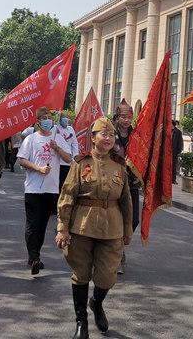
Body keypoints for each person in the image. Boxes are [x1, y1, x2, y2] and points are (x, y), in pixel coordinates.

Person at [56, 117, 132, 339]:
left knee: (107, 276)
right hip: (82, 225)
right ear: (93, 138)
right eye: (103, 134)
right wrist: (62, 227)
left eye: (111, 135)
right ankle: (82, 322)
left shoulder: (119, 165)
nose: (108, 138)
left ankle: (96, 302)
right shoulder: (81, 163)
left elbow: (126, 200)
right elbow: (67, 196)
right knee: (80, 274)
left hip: (112, 227)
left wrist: (128, 229)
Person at [17, 107, 73, 275]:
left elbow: (68, 158)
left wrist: (57, 148)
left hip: (51, 189)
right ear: (38, 121)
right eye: (44, 117)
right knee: (32, 224)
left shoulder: (58, 138)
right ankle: (34, 257)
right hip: (33, 189)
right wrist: (38, 168)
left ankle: (35, 254)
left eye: (50, 117)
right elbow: (21, 160)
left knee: (42, 225)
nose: (48, 119)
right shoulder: (31, 139)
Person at [111, 100, 139, 274]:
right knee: (115, 218)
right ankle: (115, 254)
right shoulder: (108, 132)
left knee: (133, 219)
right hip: (113, 181)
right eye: (123, 116)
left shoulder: (136, 134)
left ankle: (119, 246)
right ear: (116, 117)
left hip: (132, 183)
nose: (127, 119)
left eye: (129, 116)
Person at [53, 113, 80, 192]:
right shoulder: (55, 128)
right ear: (59, 119)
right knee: (57, 184)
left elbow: (74, 144)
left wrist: (75, 157)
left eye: (66, 117)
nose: (65, 119)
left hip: (68, 161)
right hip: (57, 161)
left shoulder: (70, 129)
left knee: (66, 184)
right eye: (63, 117)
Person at [171, 119, 184, 184]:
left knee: (173, 166)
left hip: (174, 152)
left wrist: (178, 151)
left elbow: (180, 143)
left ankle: (173, 179)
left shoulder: (178, 132)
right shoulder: (167, 131)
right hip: (167, 152)